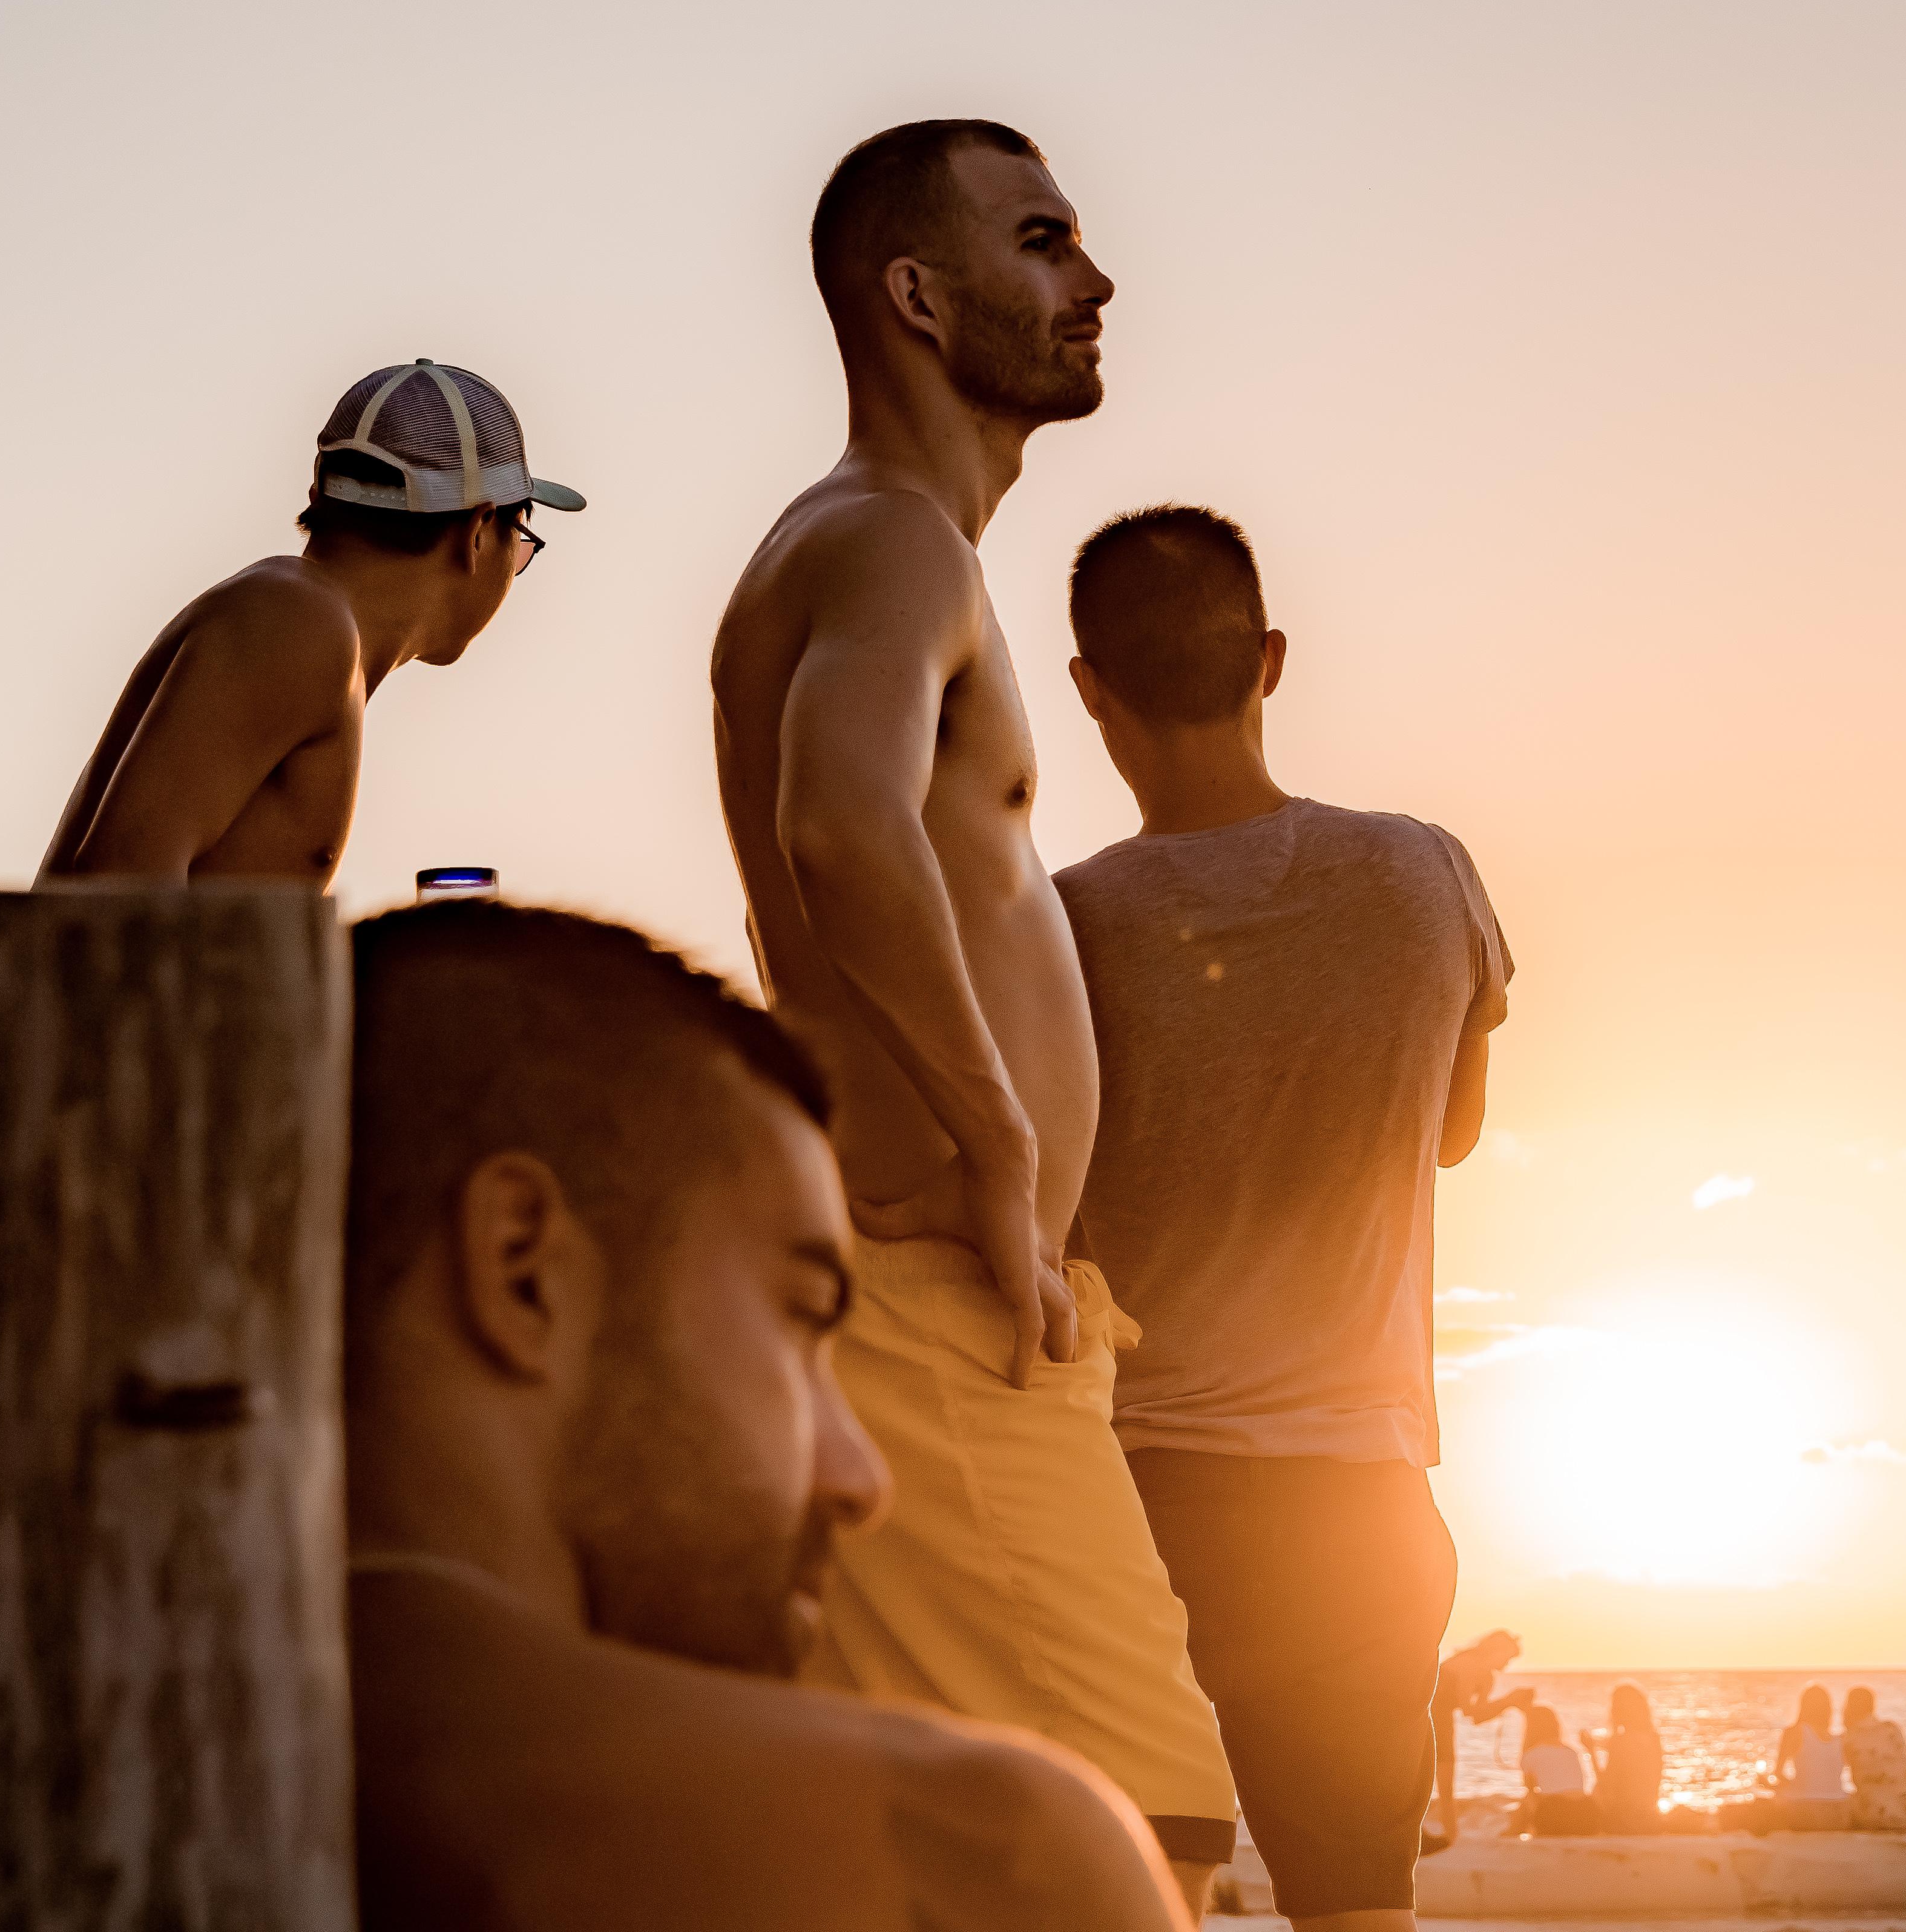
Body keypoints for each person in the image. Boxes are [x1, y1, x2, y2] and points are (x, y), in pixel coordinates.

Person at [710, 119, 1235, 1908]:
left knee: (946, 1865)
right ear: (917, 297)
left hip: (938, 1303)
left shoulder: (866, 545)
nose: (1093, 281)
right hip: (938, 1304)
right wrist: (1008, 1144)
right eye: (1043, 240)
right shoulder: (888, 547)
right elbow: (834, 817)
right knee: (1134, 1847)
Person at [339, 901, 1189, 1931]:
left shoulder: (128, 1765)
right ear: (524, 1268)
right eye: (801, 1317)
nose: (860, 1480)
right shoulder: (977, 1858)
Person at [1053, 504, 1516, 1930]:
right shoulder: (1422, 875)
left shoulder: (1060, 923)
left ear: (1089, 690)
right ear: (1268, 660)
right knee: (1358, 1909)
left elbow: (1036, 1199)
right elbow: (1449, 1130)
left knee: (1131, 1893)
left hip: (1136, 1504)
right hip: (1356, 1500)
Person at [41, 357, 576, 882]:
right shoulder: (297, 621)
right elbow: (121, 891)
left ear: (318, 493)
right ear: (479, 529)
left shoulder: (305, 620)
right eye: (523, 536)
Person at [1428, 1631, 1537, 1845]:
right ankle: (1449, 1837)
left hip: (1442, 1719)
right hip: (1430, 1717)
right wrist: (1508, 1700)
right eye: (1507, 1658)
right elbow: (1468, 1706)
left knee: (1446, 1780)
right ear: (1495, 1651)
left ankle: (1451, 1837)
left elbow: (1476, 1717)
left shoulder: (1486, 1675)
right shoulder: (1471, 1664)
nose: (1507, 1665)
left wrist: (1511, 1702)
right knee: (1443, 1776)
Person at [1719, 1684, 1850, 1832]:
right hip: (1839, 1815)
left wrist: (1766, 1783)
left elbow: (1778, 1774)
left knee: (1759, 1808)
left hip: (1805, 1813)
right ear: (1828, 1710)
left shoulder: (1793, 1733)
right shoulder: (1841, 1740)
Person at [1586, 1683, 1666, 1835]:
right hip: (1650, 1818)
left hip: (1623, 1821)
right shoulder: (1654, 1740)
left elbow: (1607, 1789)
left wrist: (1591, 1753)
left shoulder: (1622, 1742)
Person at [1842, 1684, 1906, 1832]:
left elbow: (1828, 1773)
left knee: (1832, 1804)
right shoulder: (1893, 1730)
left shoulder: (1849, 1739)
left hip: (1875, 1816)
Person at [1511, 1706, 1599, 1838]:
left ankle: (1510, 1835)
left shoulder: (1531, 1754)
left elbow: (1529, 1788)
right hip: (1586, 1812)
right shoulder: (1572, 1752)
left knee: (1528, 1799)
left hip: (1556, 1814)